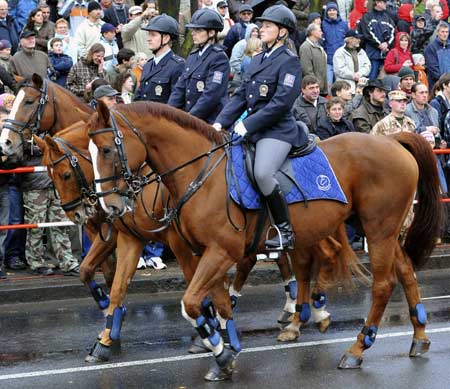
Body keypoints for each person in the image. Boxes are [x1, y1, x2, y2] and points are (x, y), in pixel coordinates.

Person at [213, 5, 306, 250]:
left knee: (263, 173)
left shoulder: (290, 62)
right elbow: (241, 95)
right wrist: (220, 122)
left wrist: (247, 124)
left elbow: (281, 103)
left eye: (268, 26)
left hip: (277, 131)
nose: (261, 29)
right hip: (253, 130)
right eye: (261, 25)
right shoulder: (255, 60)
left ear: (282, 32)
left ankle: (286, 231)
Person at [168, 8, 230, 124]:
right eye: (193, 29)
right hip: (191, 117)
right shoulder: (193, 56)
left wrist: (189, 118)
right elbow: (180, 88)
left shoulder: (219, 58)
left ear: (211, 33)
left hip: (209, 121)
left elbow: (211, 95)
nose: (193, 33)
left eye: (198, 30)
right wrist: (168, 112)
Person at [134, 14, 184, 103]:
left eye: (153, 35)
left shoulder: (178, 66)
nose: (148, 39)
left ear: (165, 38)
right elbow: (139, 97)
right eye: (148, 34)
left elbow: (177, 101)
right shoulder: (148, 65)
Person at [359, 0, 395, 79]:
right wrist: (379, 45)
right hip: (373, 54)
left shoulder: (387, 17)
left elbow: (393, 32)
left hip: (386, 54)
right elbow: (367, 33)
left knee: (384, 79)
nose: (386, 4)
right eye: (384, 2)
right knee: (372, 77)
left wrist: (387, 44)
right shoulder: (367, 16)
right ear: (378, 3)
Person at [333, 29, 371, 95]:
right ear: (350, 39)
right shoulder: (339, 52)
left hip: (361, 88)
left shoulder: (362, 51)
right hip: (345, 89)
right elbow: (339, 69)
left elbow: (367, 66)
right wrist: (352, 75)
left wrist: (359, 74)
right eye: (357, 38)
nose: (359, 40)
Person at [321, 2, 348, 90]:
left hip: (341, 60)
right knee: (328, 85)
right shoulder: (323, 24)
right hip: (328, 59)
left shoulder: (344, 24)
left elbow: (347, 39)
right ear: (326, 12)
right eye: (329, 10)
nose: (332, 12)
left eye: (334, 10)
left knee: (340, 86)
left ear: (337, 11)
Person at [299, 23, 327, 96]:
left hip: (321, 88)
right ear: (312, 32)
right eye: (319, 30)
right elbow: (307, 70)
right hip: (313, 90)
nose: (322, 32)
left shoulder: (319, 46)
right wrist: (316, 86)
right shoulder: (305, 47)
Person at [424, 21, 450, 90]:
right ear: (438, 33)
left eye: (447, 32)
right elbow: (433, 69)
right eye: (443, 32)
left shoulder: (449, 46)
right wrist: (445, 81)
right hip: (436, 84)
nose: (445, 34)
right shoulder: (431, 48)